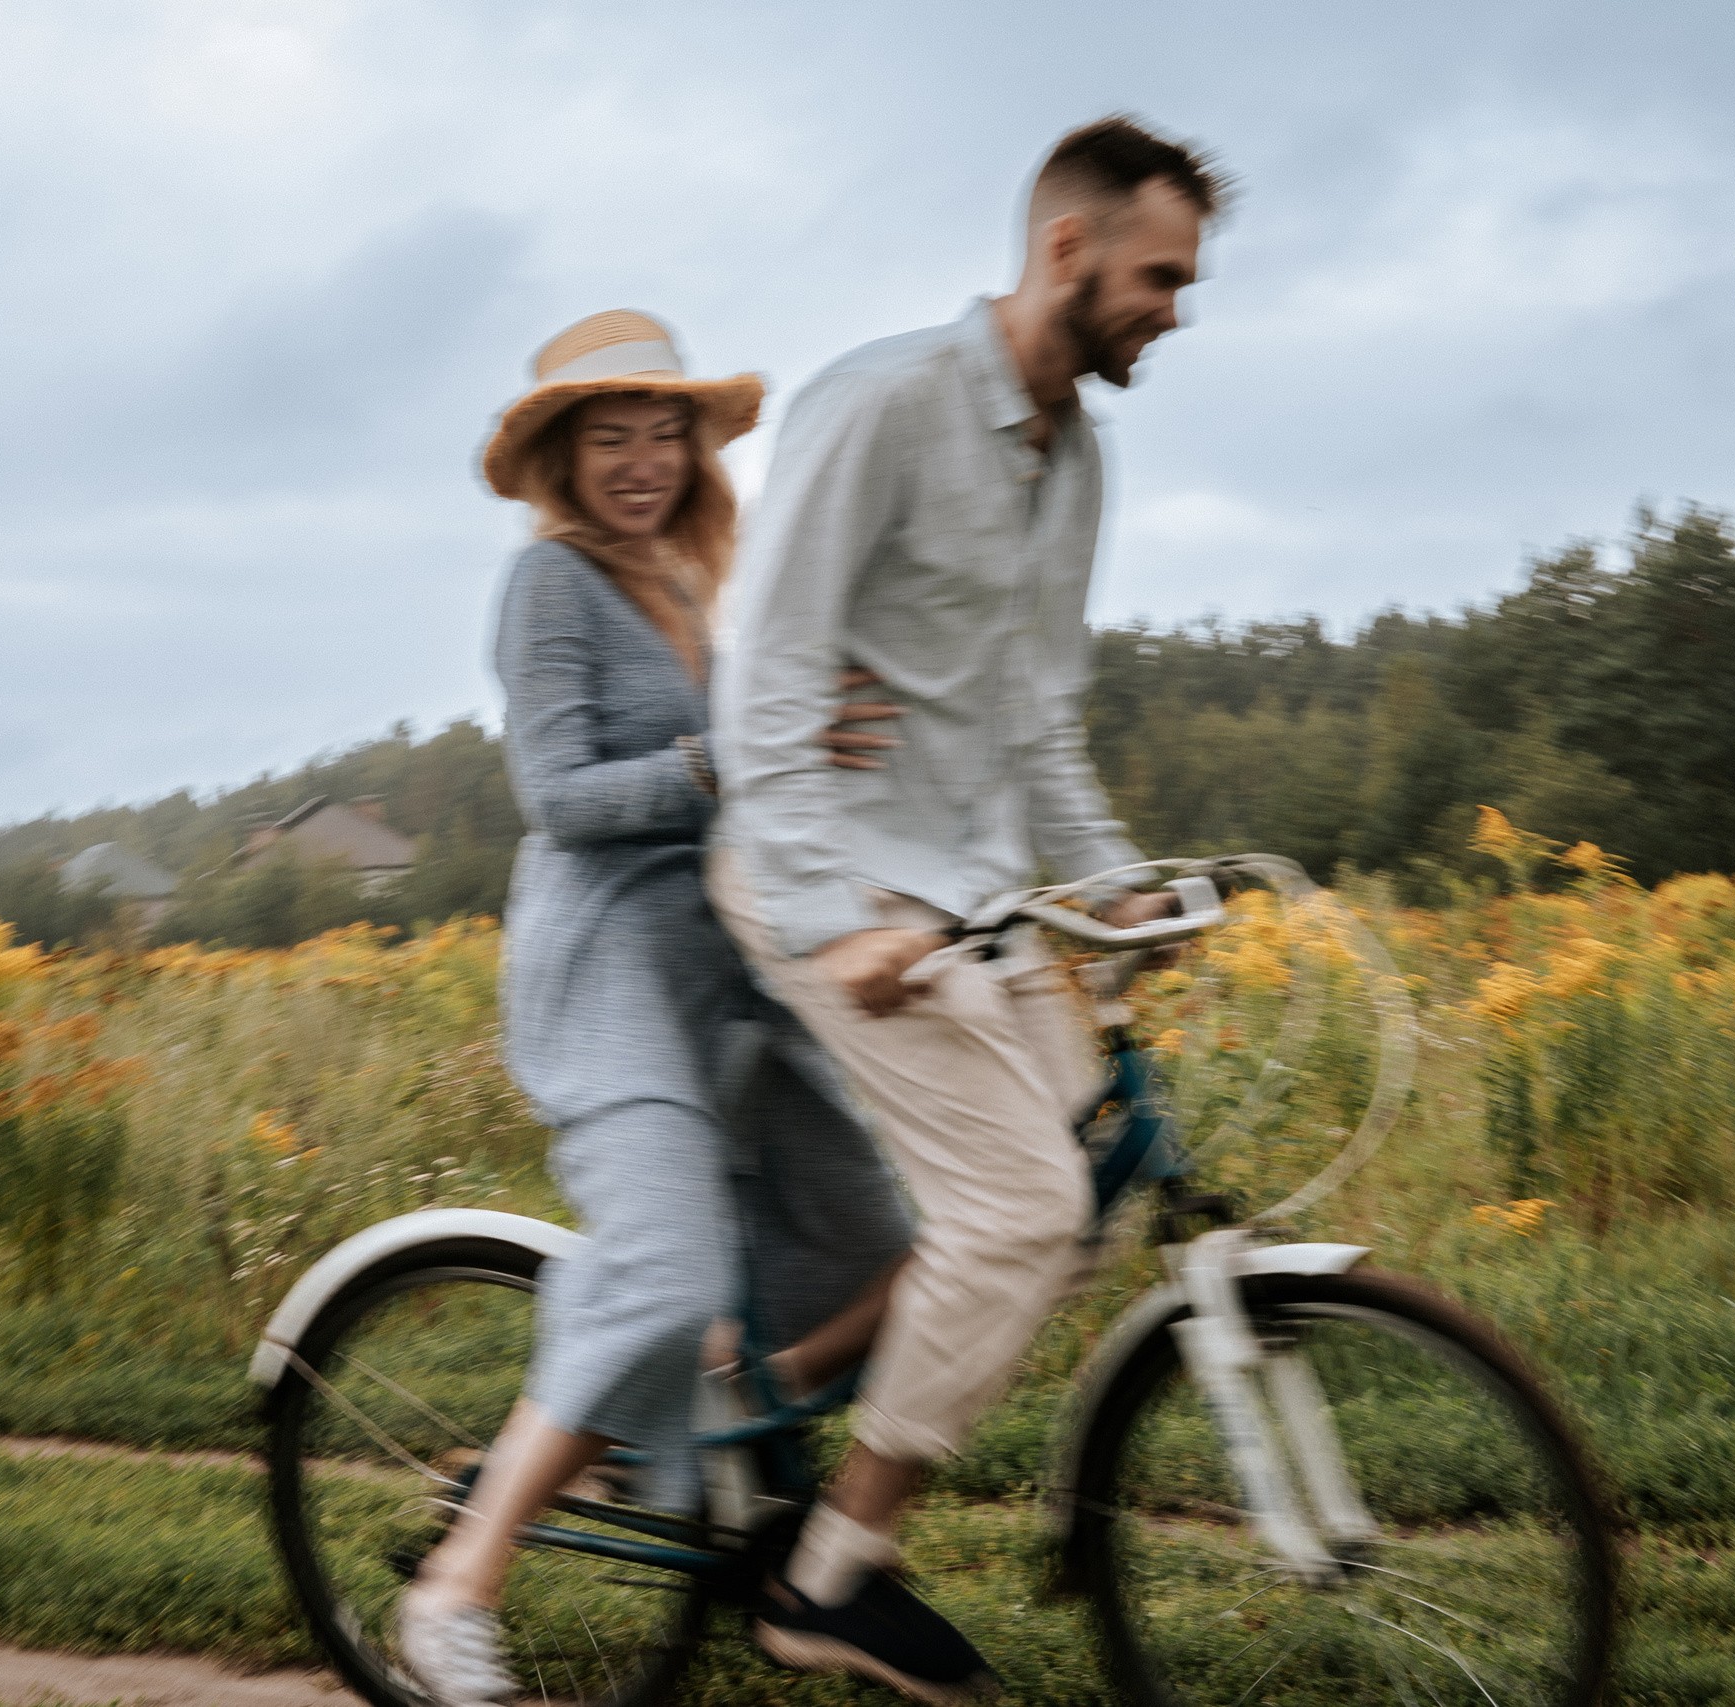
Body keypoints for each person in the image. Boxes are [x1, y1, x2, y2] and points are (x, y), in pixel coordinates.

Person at [708, 117, 1229, 1702]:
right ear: (1066, 248)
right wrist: (825, 913)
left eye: (1189, 283)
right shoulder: (881, 405)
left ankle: (753, 1401)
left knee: (1074, 1198)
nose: (1176, 310)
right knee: (1020, 1213)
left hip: (971, 901)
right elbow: (769, 679)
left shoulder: (1078, 461)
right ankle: (830, 1577)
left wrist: (1124, 881)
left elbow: (1035, 723)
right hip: (833, 890)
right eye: (1159, 275)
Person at [394, 309, 917, 1707]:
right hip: (612, 967)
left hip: (738, 965)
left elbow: (768, 761)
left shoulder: (705, 576)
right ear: (563, 458)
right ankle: (460, 1588)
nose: (640, 460)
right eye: (608, 436)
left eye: (663, 432)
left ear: (698, 446)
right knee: (672, 1272)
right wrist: (725, 754)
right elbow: (558, 800)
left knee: (890, 1243)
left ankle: (673, 1421)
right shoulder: (549, 588)